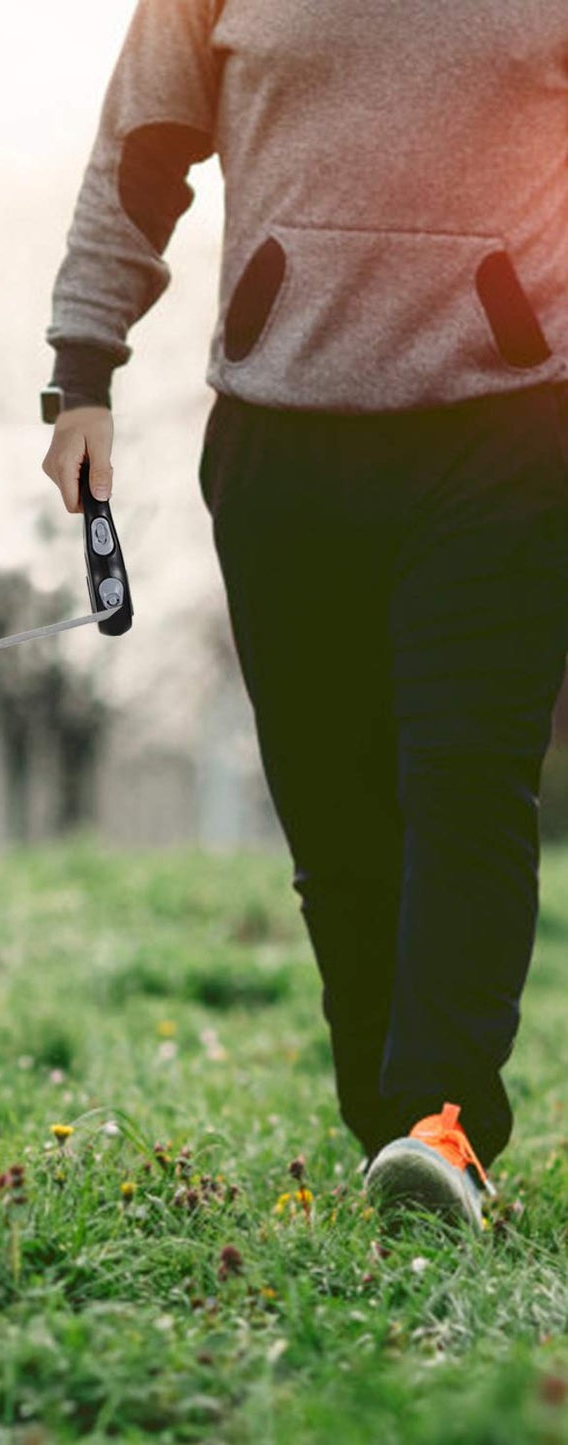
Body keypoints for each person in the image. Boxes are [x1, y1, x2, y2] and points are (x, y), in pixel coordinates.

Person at [40, 0, 568, 1226]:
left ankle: (443, 1121)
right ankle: (387, 1132)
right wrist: (82, 368)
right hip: (281, 438)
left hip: (506, 431)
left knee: (462, 778)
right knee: (334, 820)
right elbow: (138, 153)